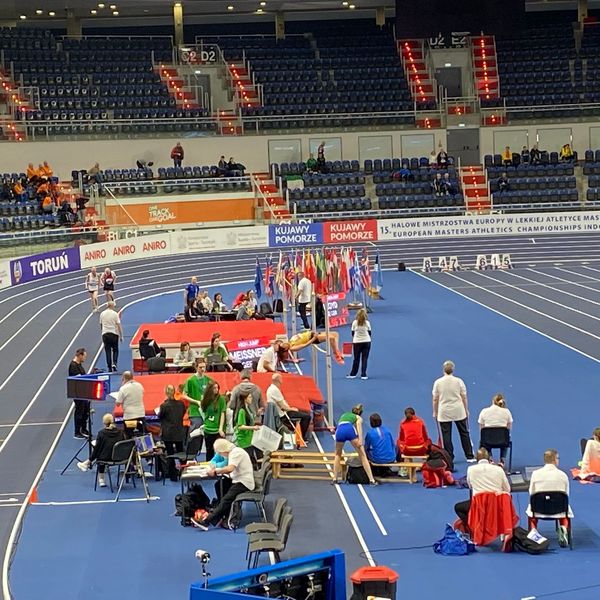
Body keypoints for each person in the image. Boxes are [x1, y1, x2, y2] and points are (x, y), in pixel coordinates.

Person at [190, 438, 255, 531]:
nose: (220, 455)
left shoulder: (236, 453)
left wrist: (216, 471)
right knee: (219, 485)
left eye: (220, 453)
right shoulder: (233, 452)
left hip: (244, 482)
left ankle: (207, 521)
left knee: (226, 499)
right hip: (237, 479)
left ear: (223, 450)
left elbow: (230, 468)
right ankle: (222, 514)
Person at [454, 447, 511, 530]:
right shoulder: (499, 469)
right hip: (497, 505)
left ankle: (473, 528)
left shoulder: (471, 469)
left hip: (479, 505)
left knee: (458, 507)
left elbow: (470, 486)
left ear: (477, 459)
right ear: (489, 459)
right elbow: (507, 490)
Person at [526, 449, 573, 547]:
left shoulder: (535, 474)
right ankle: (564, 527)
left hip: (538, 509)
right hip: (559, 509)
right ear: (555, 460)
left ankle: (533, 532)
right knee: (565, 508)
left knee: (531, 509)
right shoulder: (563, 475)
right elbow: (566, 494)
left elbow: (531, 492)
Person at [432, 360, 474, 463]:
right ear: (453, 370)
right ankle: (469, 455)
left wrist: (435, 411)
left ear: (443, 370)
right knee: (464, 432)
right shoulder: (459, 381)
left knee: (446, 435)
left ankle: (449, 457)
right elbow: (464, 396)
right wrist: (466, 409)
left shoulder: (438, 382)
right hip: (458, 410)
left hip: (444, 412)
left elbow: (435, 399)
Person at [332, 404, 376, 485]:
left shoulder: (344, 415)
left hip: (339, 431)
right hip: (349, 430)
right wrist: (360, 440)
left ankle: (335, 479)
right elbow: (358, 426)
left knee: (337, 455)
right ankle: (371, 480)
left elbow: (339, 426)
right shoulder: (358, 417)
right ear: (360, 413)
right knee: (363, 456)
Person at [77, 414, 126, 487]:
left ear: (104, 423)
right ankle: (86, 463)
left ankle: (101, 479)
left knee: (99, 450)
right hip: (120, 458)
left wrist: (91, 458)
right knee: (104, 449)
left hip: (105, 458)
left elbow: (97, 448)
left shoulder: (101, 433)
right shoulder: (121, 432)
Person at [267, 373, 311, 441]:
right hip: (284, 414)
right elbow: (283, 407)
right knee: (307, 417)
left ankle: (298, 433)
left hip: (283, 412)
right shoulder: (274, 390)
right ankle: (301, 437)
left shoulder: (272, 388)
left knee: (302, 412)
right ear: (279, 380)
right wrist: (292, 409)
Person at [157, 384, 186, 481]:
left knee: (170, 454)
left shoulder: (164, 406)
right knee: (181, 453)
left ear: (166, 393)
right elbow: (183, 413)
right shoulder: (181, 404)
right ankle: (184, 472)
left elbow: (160, 416)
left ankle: (173, 475)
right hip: (179, 432)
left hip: (168, 433)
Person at [478, 393, 513, 466]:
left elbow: (481, 429)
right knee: (507, 437)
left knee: (483, 440)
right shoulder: (507, 411)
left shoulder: (484, 411)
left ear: (493, 401)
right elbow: (509, 428)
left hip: (487, 441)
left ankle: (490, 458)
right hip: (503, 441)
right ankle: (502, 460)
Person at [182, 358, 213, 432]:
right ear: (196, 367)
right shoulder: (190, 380)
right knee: (195, 432)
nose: (203, 369)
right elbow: (184, 395)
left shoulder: (208, 379)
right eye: (200, 367)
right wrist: (196, 401)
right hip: (195, 411)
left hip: (207, 410)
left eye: (204, 367)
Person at [201, 381, 227, 461]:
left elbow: (222, 414)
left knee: (220, 451)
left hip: (217, 430)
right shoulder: (206, 399)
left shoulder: (221, 399)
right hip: (208, 429)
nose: (216, 389)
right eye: (214, 388)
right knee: (209, 451)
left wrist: (220, 428)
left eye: (217, 387)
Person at [114, 371, 146, 438]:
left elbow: (118, 403)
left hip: (129, 417)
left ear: (123, 378)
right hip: (140, 414)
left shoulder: (123, 388)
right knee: (142, 435)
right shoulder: (139, 385)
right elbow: (142, 393)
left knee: (129, 436)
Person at [233, 392, 260, 466]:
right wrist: (253, 427)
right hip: (243, 439)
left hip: (249, 438)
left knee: (251, 457)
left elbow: (249, 420)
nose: (251, 399)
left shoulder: (248, 409)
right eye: (249, 397)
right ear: (245, 399)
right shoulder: (242, 411)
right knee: (249, 458)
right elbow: (240, 426)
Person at [69, 348, 90, 439]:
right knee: (79, 412)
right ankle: (77, 432)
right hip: (77, 393)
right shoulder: (73, 366)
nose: (85, 358)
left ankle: (83, 429)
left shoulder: (79, 364)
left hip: (83, 392)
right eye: (84, 356)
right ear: (80, 355)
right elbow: (79, 379)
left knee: (85, 410)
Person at [347, 308, 371, 380]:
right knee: (364, 358)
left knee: (356, 359)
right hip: (366, 342)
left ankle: (353, 374)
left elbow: (352, 333)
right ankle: (363, 374)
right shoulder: (367, 323)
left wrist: (357, 338)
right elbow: (369, 333)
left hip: (357, 342)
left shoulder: (355, 322)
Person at [99, 300, 123, 372]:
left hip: (105, 334)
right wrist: (121, 335)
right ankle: (114, 363)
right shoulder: (115, 314)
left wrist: (102, 332)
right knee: (115, 350)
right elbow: (119, 325)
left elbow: (101, 324)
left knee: (107, 351)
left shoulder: (102, 314)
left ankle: (109, 367)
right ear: (112, 306)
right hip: (114, 334)